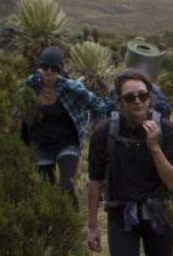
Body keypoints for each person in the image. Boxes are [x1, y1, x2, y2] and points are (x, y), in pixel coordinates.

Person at [87, 69, 173, 256]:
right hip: (121, 215)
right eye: (130, 97)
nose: (137, 101)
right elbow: (94, 180)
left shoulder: (166, 131)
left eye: (143, 95)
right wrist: (92, 227)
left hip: (159, 215)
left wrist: (155, 148)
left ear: (150, 97)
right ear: (119, 102)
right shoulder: (105, 133)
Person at [20, 45, 108, 208]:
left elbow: (99, 105)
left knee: (66, 185)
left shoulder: (70, 87)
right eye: (45, 67)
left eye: (54, 68)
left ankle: (71, 218)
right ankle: (53, 225)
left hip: (67, 143)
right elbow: (16, 109)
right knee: (46, 190)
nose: (49, 72)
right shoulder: (31, 85)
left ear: (60, 70)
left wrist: (98, 128)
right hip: (41, 144)